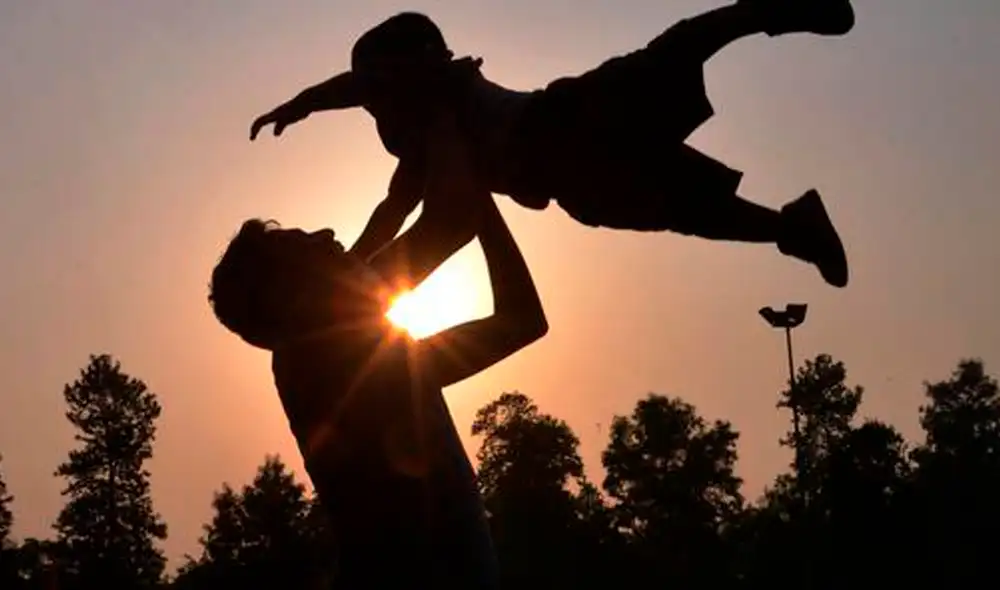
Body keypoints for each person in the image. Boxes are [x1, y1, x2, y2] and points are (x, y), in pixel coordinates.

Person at [249, 0, 854, 288]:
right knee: (683, 206)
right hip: (573, 182)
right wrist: (354, 263)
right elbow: (392, 213)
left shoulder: (442, 85)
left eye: (380, 90)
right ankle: (793, 228)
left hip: (560, 122)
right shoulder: (421, 154)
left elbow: (363, 84)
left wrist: (302, 103)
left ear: (413, 67)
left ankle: (768, 10)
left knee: (663, 62)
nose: (376, 106)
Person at [208, 115, 545, 588]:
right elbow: (514, 310)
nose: (326, 234)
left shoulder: (321, 341)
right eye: (306, 243)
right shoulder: (335, 354)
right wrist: (443, 115)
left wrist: (435, 160)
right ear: (296, 293)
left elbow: (436, 223)